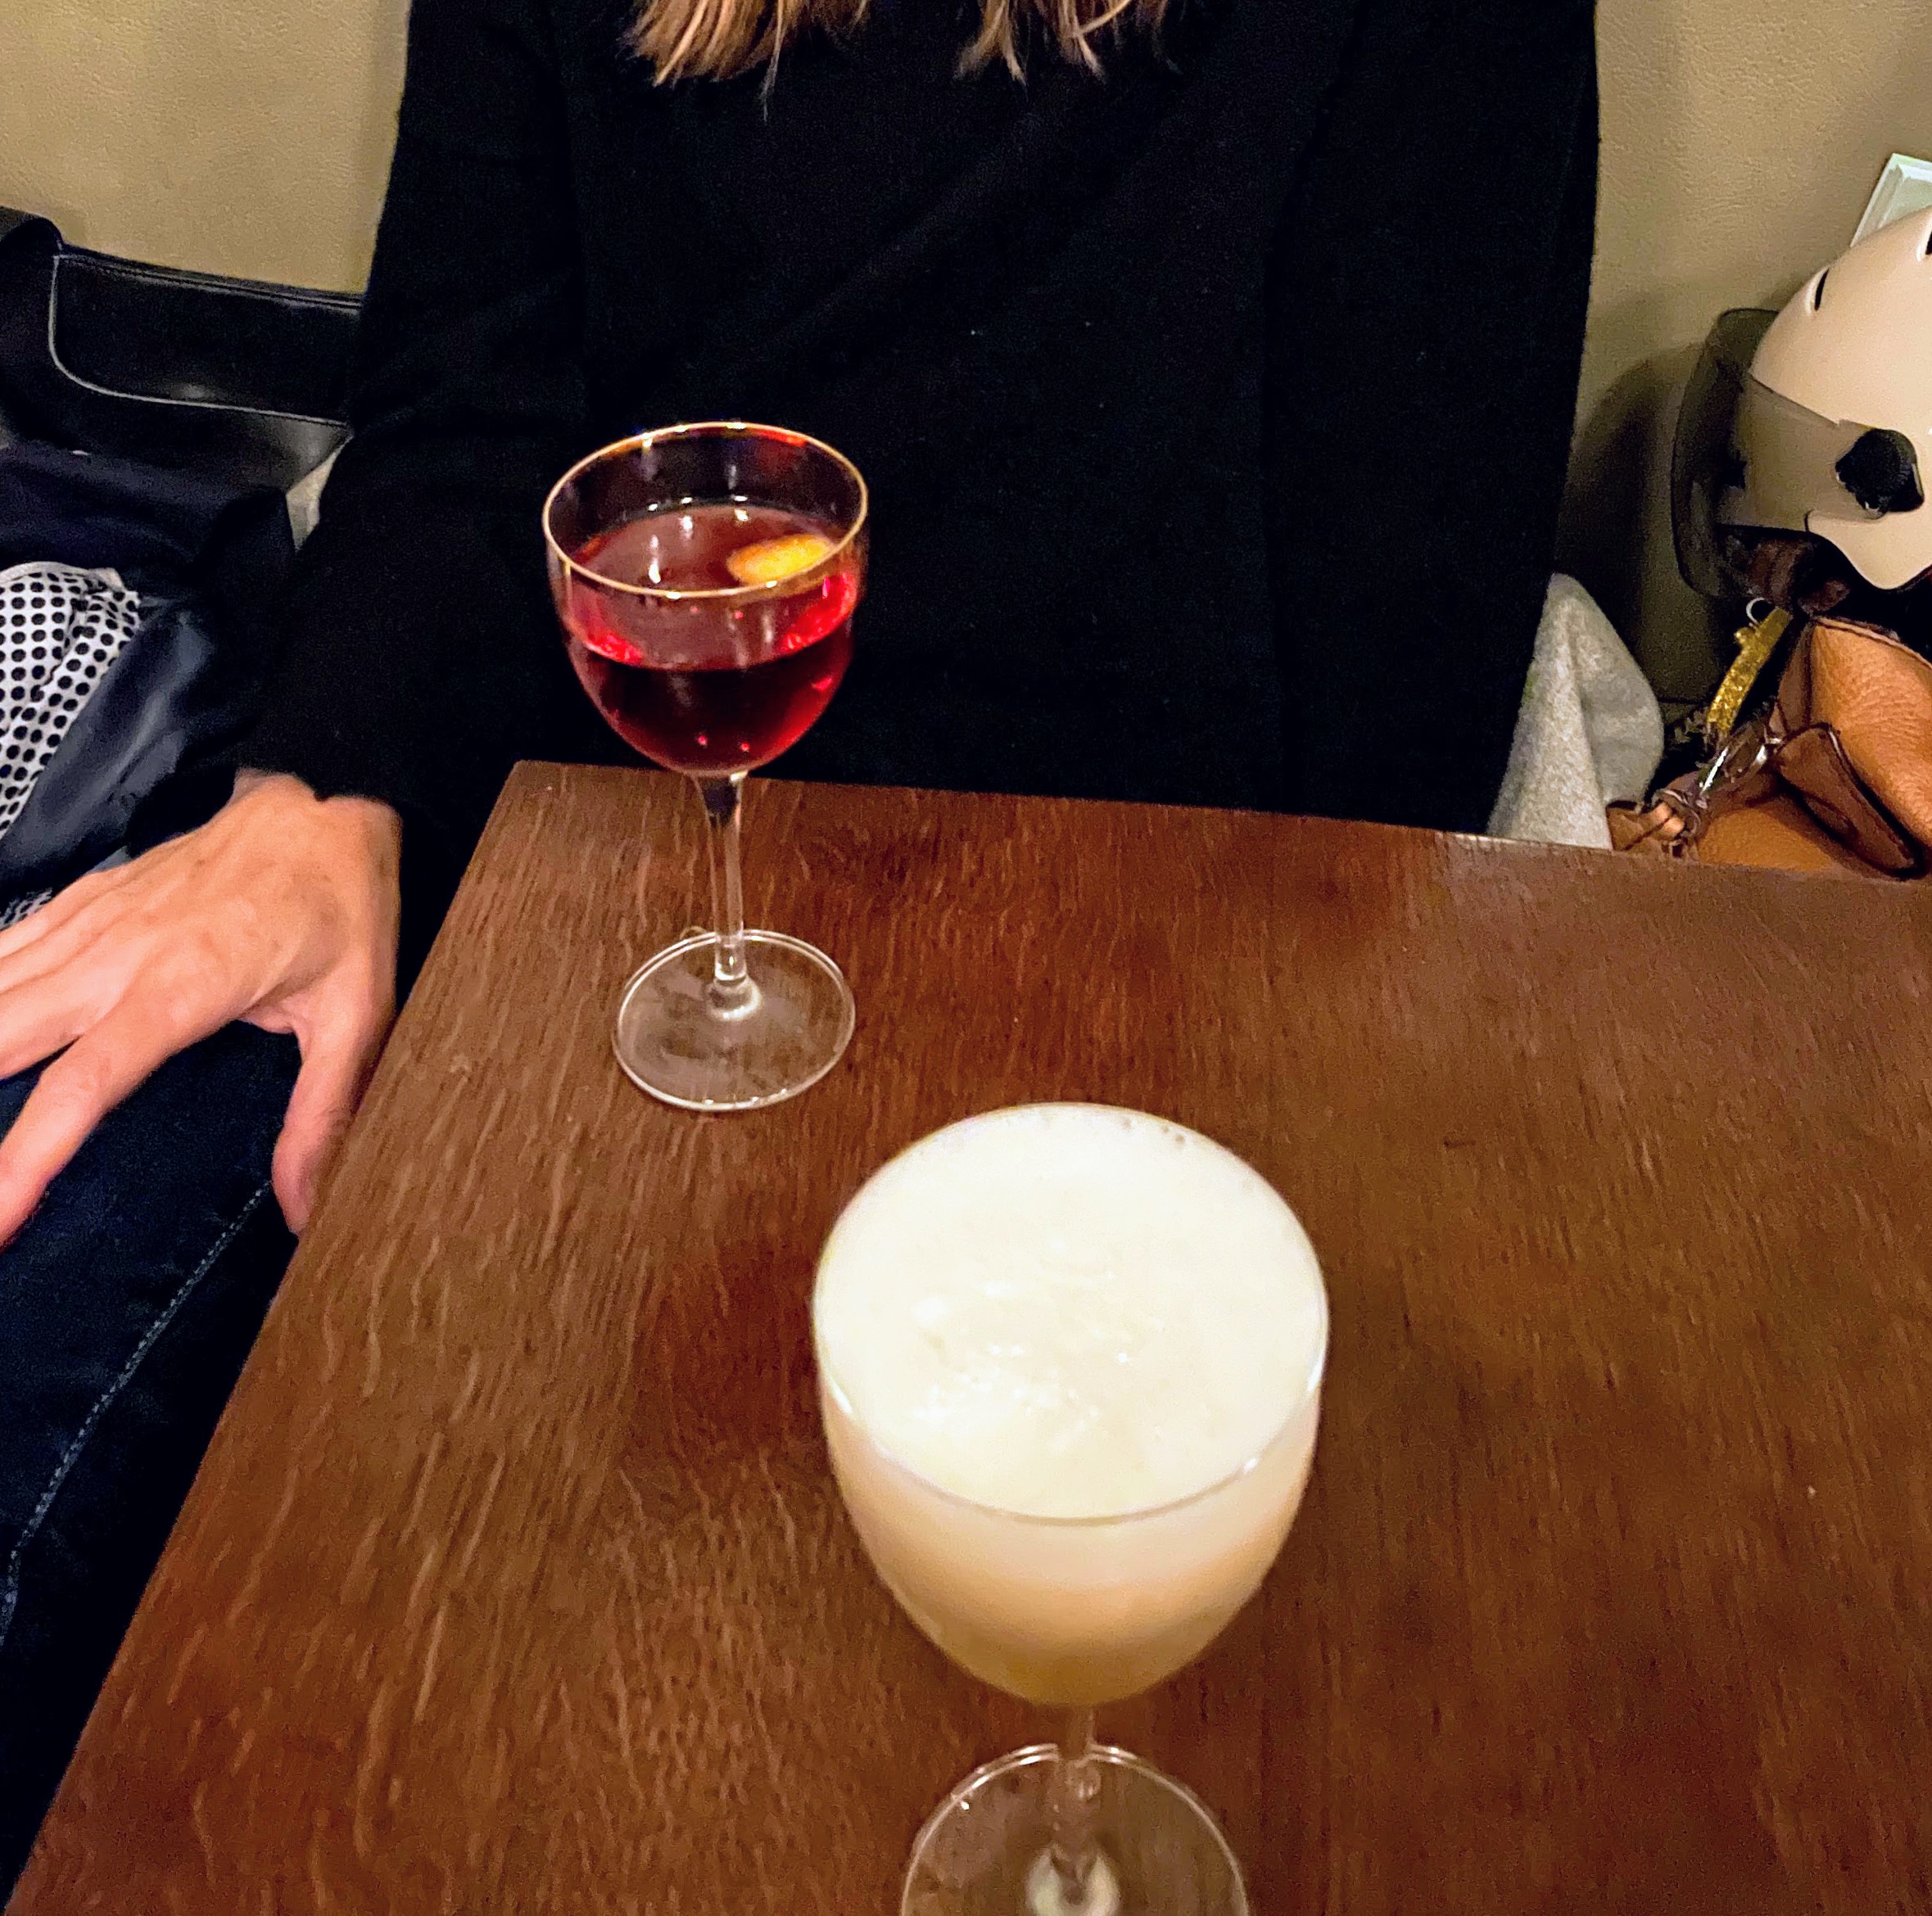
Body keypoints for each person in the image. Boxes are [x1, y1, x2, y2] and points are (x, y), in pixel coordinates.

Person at [0, 0, 1598, 1884]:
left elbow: (1395, 682)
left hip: (1139, 958)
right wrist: (314, 789)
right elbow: (470, 410)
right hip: (599, 887)